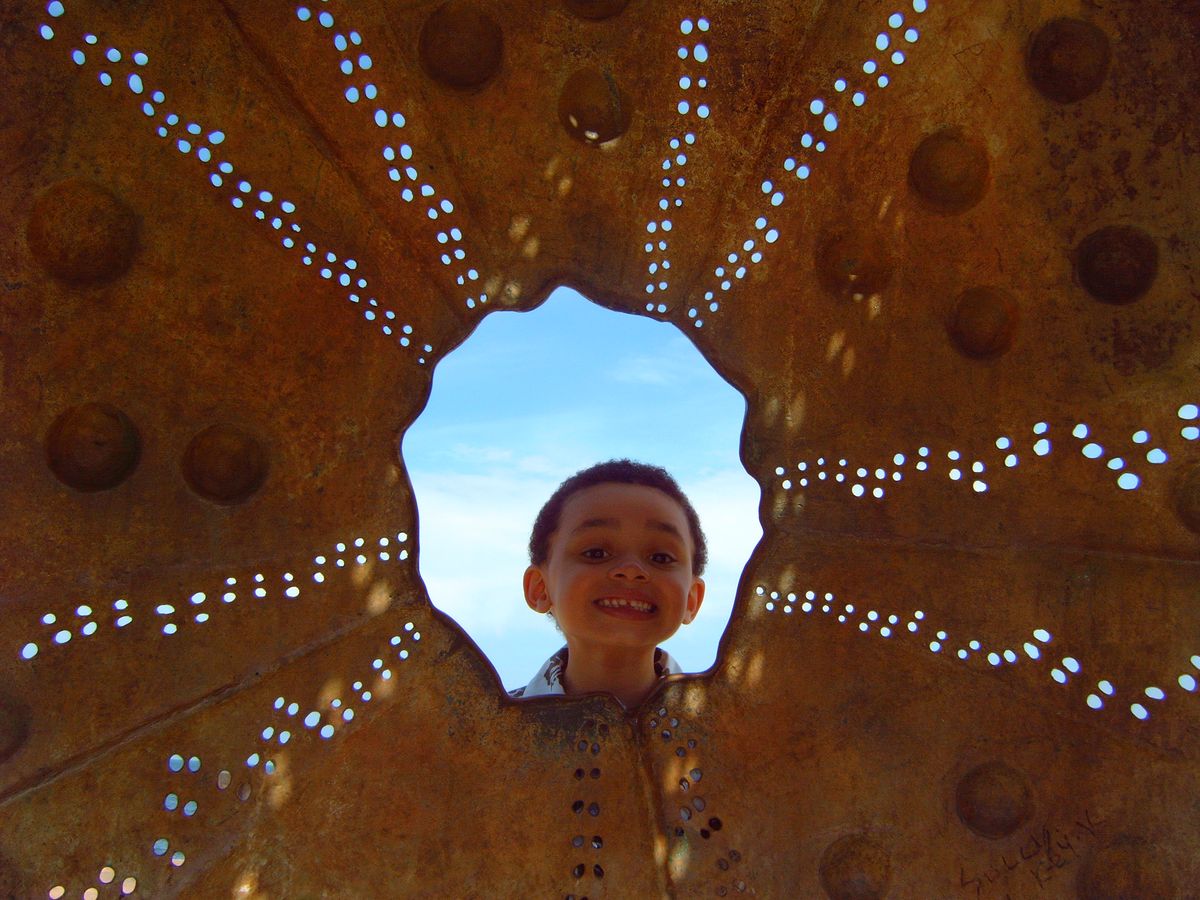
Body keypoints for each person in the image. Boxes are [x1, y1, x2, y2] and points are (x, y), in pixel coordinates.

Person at [510, 459, 706, 709]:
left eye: (660, 558)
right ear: (539, 588)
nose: (631, 571)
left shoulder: (742, 740)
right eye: (596, 553)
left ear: (692, 599)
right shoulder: (475, 738)